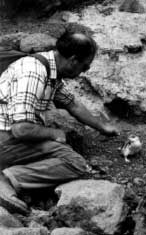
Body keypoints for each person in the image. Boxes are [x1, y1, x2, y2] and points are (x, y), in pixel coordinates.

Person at [0, 32, 119, 214]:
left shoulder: (51, 69)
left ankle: (15, 173)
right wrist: (53, 134)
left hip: (8, 135)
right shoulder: (33, 72)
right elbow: (21, 129)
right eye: (85, 67)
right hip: (6, 137)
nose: (83, 72)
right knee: (75, 163)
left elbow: (72, 103)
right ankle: (7, 179)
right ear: (73, 60)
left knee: (60, 149)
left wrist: (103, 127)